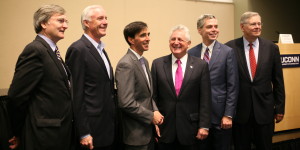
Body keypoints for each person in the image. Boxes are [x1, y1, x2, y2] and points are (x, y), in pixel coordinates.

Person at [7, 4, 73, 150]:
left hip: (60, 133)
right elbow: (17, 96)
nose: (65, 25)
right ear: (43, 23)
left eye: (66, 21)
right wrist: (17, 132)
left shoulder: (52, 50)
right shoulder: (35, 50)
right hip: (43, 136)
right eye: (60, 21)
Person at [225, 11, 285, 150]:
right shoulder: (229, 48)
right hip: (240, 112)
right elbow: (226, 82)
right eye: (253, 24)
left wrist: (280, 108)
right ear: (242, 27)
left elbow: (278, 81)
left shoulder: (271, 48)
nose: (258, 27)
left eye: (259, 23)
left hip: (265, 111)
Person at [151, 24, 212, 150]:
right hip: (165, 128)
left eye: (180, 39)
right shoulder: (158, 64)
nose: (176, 42)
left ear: (188, 43)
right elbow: (153, 96)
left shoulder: (200, 66)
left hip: (191, 129)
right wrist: (154, 118)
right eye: (173, 39)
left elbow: (205, 98)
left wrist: (204, 126)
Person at [65, 5, 116, 150]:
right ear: (86, 23)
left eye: (106, 18)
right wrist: (84, 132)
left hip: (107, 128)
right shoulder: (78, 49)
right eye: (100, 18)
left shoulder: (101, 50)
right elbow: (76, 94)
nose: (105, 22)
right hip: (90, 132)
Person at [188, 14, 239, 150]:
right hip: (198, 117)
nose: (214, 29)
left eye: (216, 26)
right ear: (199, 30)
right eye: (209, 26)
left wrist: (228, 114)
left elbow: (233, 86)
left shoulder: (227, 52)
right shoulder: (191, 53)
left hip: (221, 116)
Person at [115, 21, 164, 150]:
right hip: (135, 136)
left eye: (148, 34)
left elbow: (147, 95)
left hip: (148, 132)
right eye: (143, 35)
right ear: (131, 39)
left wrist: (155, 110)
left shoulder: (144, 61)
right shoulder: (126, 64)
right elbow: (125, 102)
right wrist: (151, 116)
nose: (148, 38)